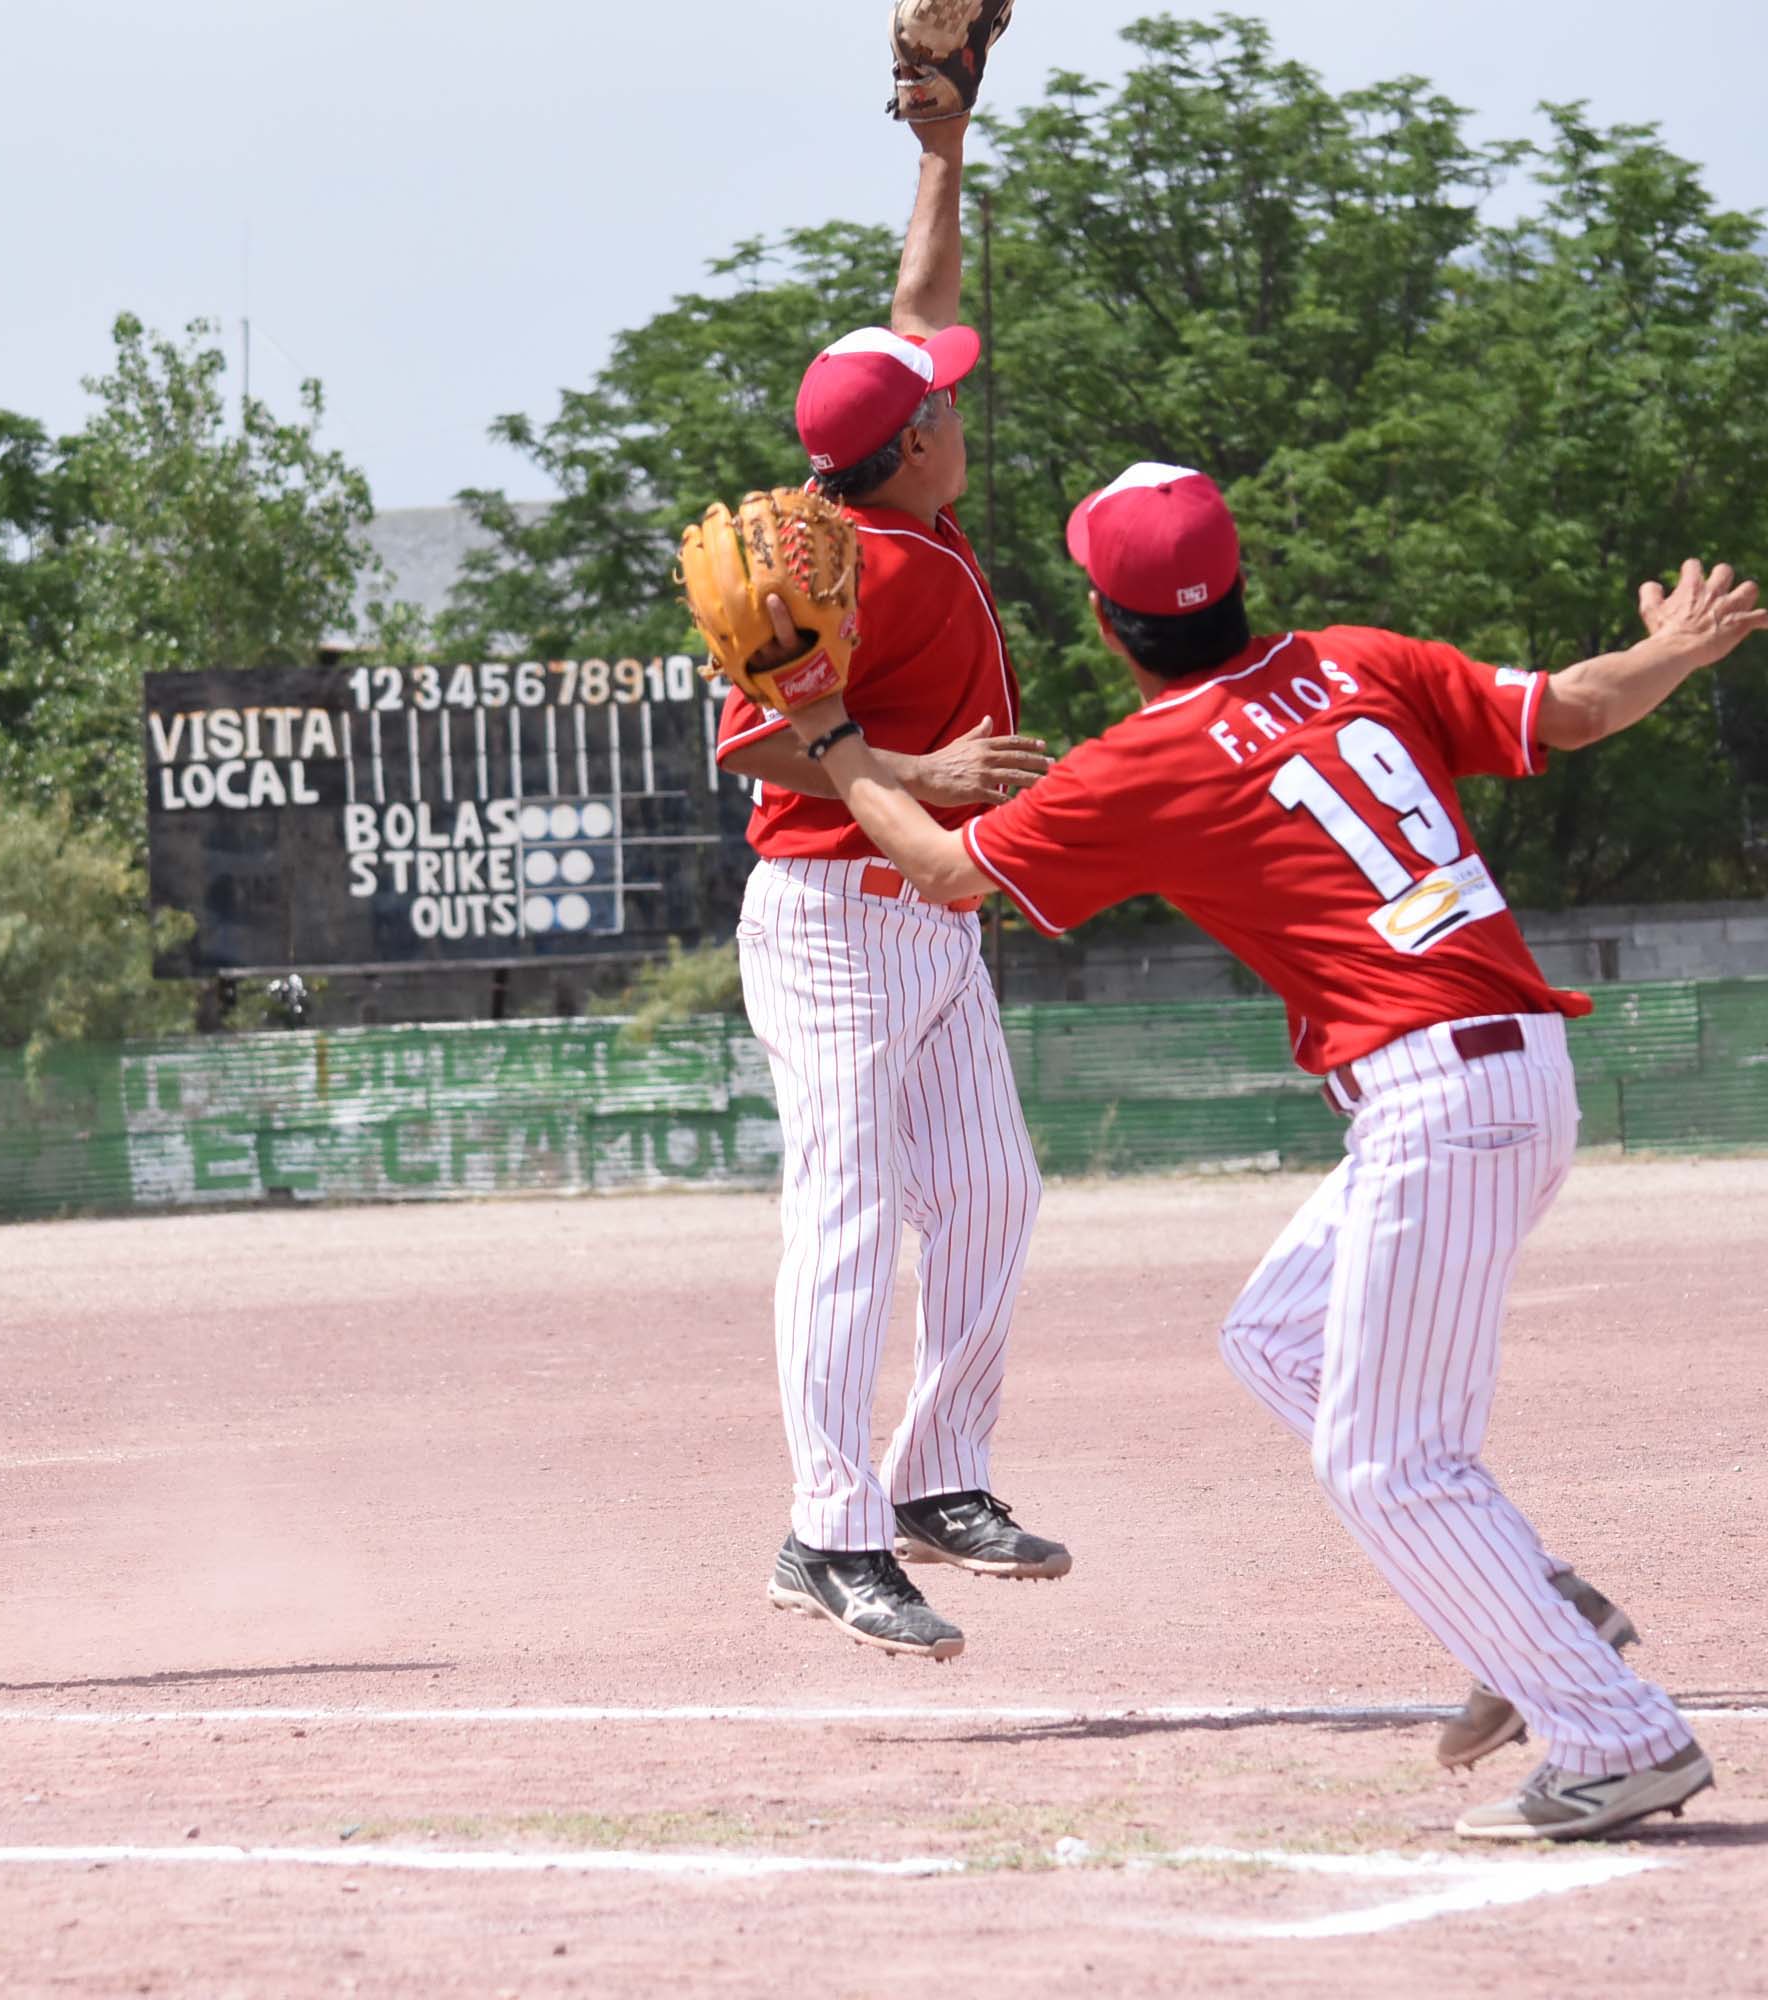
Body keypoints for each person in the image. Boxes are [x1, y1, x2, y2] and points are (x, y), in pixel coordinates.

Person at [776, 462, 1768, 1840]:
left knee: (1386, 1465)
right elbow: (1579, 706)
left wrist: (828, 732)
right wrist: (1668, 648)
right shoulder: (1361, 662)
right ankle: (1533, 1599)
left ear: (1109, 627)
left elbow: (943, 874)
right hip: (1500, 1068)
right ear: (1237, 585)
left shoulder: (1147, 761)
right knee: (1277, 1340)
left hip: (1442, 1102)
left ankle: (1617, 1734)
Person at [717, 107, 1070, 1665]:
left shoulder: (907, 507)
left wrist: (944, 145)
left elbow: (916, 311)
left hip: (932, 923)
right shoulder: (836, 561)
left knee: (993, 1193)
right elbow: (750, 741)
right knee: (849, 1227)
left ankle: (934, 1478)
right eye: (944, 404)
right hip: (829, 923)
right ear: (911, 444)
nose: (957, 401)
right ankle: (828, 1529)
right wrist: (917, 779)